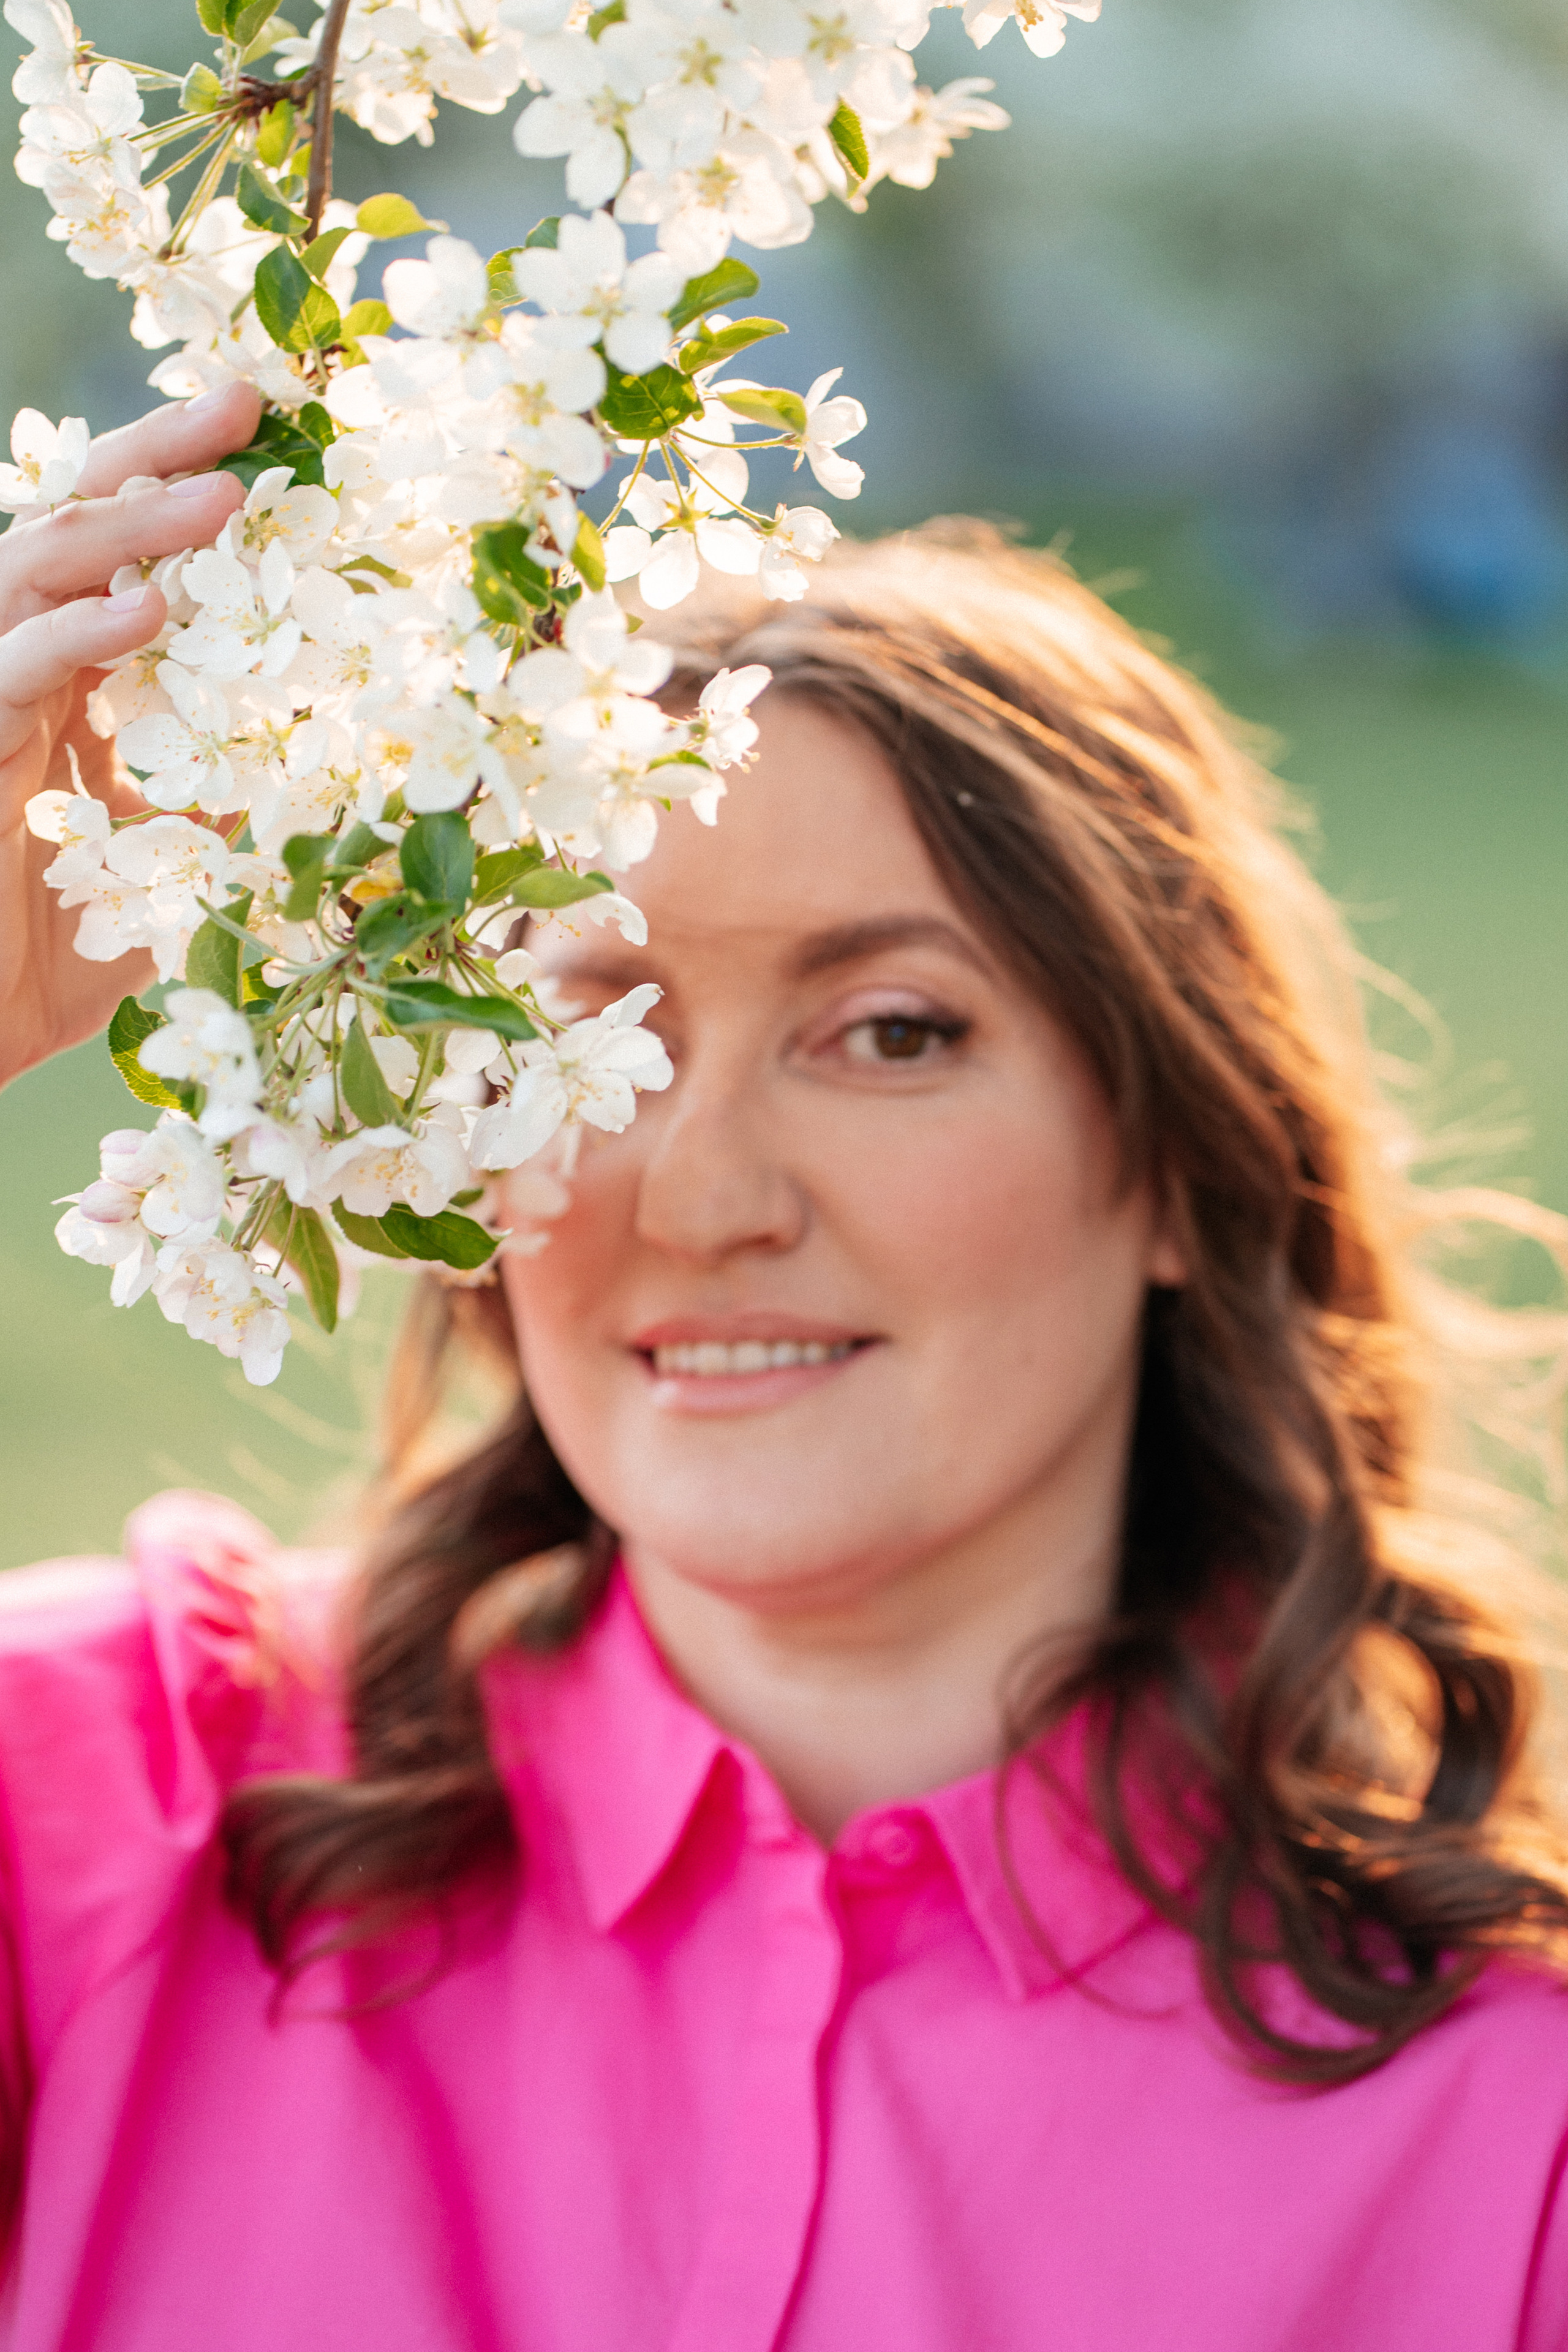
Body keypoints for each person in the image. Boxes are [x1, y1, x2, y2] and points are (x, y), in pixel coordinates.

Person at [0, 386, 1566, 2350]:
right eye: (592, 1029)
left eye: (891, 1033)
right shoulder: (89, 1816)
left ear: (1182, 1155)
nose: (706, 1190)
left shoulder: (1514, 2138)